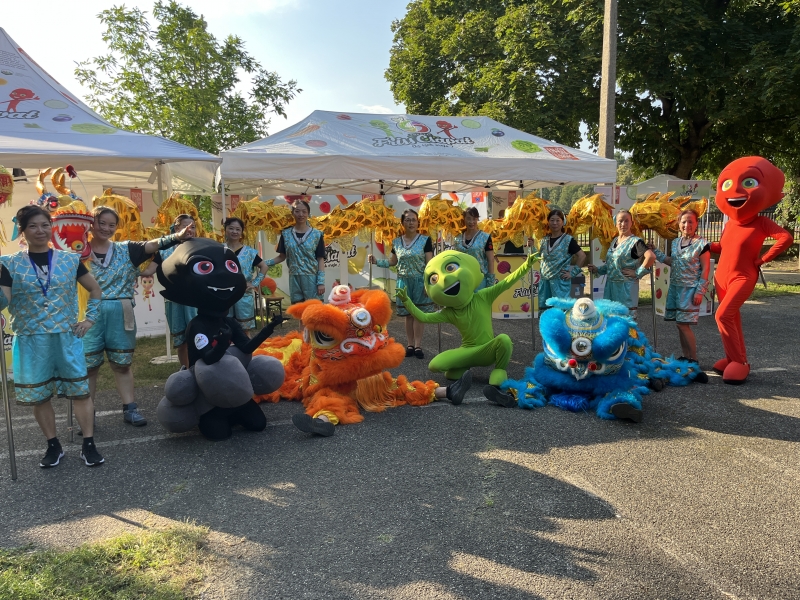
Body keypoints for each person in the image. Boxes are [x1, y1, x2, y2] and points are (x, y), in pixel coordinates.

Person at [0, 205, 103, 468]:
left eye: (45, 225)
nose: (40, 231)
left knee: (80, 392)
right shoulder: (9, 264)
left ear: (51, 227)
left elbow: (95, 290)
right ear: (22, 231)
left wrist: (89, 319)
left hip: (66, 336)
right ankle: (53, 445)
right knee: (39, 395)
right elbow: (4, 299)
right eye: (32, 226)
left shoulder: (70, 260)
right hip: (32, 338)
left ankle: (88, 444)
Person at [83, 206, 194, 428]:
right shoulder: (78, 252)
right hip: (88, 314)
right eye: (101, 223)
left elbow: (152, 245)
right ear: (91, 224)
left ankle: (130, 408)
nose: (106, 228)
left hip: (121, 311)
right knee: (88, 366)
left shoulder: (127, 249)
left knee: (122, 364)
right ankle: (86, 413)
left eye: (111, 224)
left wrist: (177, 236)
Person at [647, 210, 710, 383]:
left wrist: (700, 291)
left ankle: (694, 360)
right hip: (675, 288)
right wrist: (656, 252)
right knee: (679, 324)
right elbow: (672, 262)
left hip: (690, 289)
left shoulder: (702, 244)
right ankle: (685, 357)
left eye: (690, 222)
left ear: (696, 223)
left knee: (684, 324)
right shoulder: (675, 242)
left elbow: (705, 269)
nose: (687, 225)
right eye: (683, 222)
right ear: (678, 223)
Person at [368, 208, 434, 359]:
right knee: (408, 315)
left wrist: (427, 283)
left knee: (418, 314)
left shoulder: (425, 240)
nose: (411, 223)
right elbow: (393, 261)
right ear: (403, 223)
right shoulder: (397, 242)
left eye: (413, 220)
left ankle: (418, 345)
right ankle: (409, 344)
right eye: (408, 220)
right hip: (403, 281)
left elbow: (430, 264)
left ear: (418, 222)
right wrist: (377, 261)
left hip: (419, 281)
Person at [141, 214, 197, 368]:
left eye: (193, 226)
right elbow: (148, 271)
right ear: (177, 228)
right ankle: (186, 371)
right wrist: (129, 269)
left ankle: (200, 370)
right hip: (174, 301)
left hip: (196, 300)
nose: (190, 230)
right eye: (186, 226)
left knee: (199, 338)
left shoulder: (200, 247)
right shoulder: (165, 251)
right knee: (181, 341)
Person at [587, 210, 656, 317]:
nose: (623, 224)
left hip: (626, 289)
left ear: (631, 223)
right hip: (610, 287)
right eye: (620, 221)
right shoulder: (614, 241)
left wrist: (637, 273)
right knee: (610, 320)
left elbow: (651, 256)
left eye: (626, 221)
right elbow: (612, 264)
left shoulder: (635, 242)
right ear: (615, 223)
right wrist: (598, 269)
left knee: (625, 322)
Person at [264, 200, 326, 303]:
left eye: (304, 211)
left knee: (312, 310)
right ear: (293, 213)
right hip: (294, 278)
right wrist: (264, 263)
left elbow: (320, 258)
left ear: (308, 213)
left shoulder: (317, 234)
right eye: (297, 211)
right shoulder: (286, 234)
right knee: (298, 309)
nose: (300, 214)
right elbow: (281, 257)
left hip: (311, 278)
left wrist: (321, 282)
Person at [222, 217, 270, 337]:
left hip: (243, 295)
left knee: (244, 330)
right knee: (225, 330)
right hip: (224, 294)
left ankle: (246, 354)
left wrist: (254, 282)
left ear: (242, 232)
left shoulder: (249, 252)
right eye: (231, 228)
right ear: (225, 229)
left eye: (238, 229)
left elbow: (264, 266)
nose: (234, 232)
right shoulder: (219, 249)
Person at [538, 209, 587, 306]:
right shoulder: (544, 240)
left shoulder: (568, 240)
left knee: (560, 310)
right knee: (546, 310)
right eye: (552, 220)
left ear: (563, 222)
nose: (554, 223)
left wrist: (573, 273)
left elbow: (582, 255)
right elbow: (540, 258)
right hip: (545, 283)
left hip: (560, 283)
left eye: (557, 220)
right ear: (548, 222)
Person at [452, 207, 496, 290]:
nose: (471, 222)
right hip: (462, 280)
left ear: (477, 219)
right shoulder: (457, 238)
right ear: (464, 219)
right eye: (468, 218)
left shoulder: (485, 237)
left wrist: (490, 281)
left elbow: (490, 260)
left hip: (480, 280)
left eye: (474, 219)